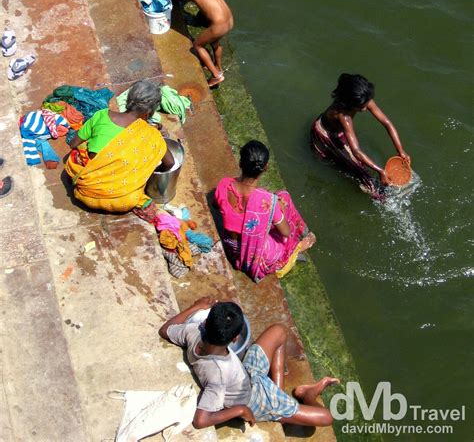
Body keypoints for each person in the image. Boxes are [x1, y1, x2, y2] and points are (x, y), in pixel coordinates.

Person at [159, 297, 339, 429]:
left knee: (279, 331)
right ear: (236, 337)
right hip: (254, 400)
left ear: (205, 323)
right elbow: (201, 420)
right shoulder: (218, 376)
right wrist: (240, 410)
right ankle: (301, 398)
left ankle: (278, 393)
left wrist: (195, 306)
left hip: (247, 374)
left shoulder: (193, 332)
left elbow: (165, 330)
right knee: (326, 418)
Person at [214, 140, 316, 282]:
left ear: (240, 163)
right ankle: (297, 247)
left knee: (277, 202)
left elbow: (216, 204)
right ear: (266, 167)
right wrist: (274, 205)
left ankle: (300, 232)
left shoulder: (224, 184)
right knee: (284, 197)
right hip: (254, 254)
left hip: (232, 245)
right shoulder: (267, 202)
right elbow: (285, 232)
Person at [65, 79, 173, 212]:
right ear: (149, 112)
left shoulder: (101, 115)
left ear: (128, 100)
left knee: (81, 149)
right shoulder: (152, 135)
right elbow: (170, 163)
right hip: (123, 201)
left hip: (85, 191)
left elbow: (73, 143)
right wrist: (144, 171)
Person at [311, 73, 410, 197]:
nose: (366, 107)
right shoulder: (344, 117)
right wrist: (380, 171)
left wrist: (400, 150)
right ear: (351, 104)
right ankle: (377, 194)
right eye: (362, 106)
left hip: (338, 130)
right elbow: (356, 151)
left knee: (357, 163)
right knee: (357, 170)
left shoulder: (363, 99)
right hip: (326, 134)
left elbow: (387, 123)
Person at [153, 0, 233, 88]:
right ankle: (218, 67)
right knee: (215, 44)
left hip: (218, 25)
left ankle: (216, 75)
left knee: (197, 45)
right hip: (229, 19)